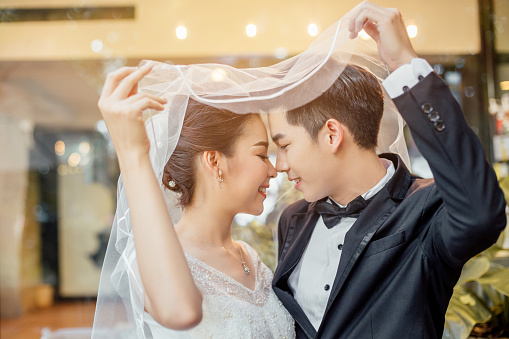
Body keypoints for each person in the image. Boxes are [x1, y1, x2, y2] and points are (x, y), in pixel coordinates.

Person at [269, 2, 507, 339]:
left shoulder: (425, 211)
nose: (279, 165)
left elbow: (483, 214)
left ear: (332, 135)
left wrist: (405, 65)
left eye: (284, 145)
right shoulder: (292, 219)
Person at [92, 72, 295, 338]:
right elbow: (181, 312)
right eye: (260, 154)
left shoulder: (249, 256)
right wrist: (132, 154)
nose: (274, 169)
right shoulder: (152, 260)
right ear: (214, 161)